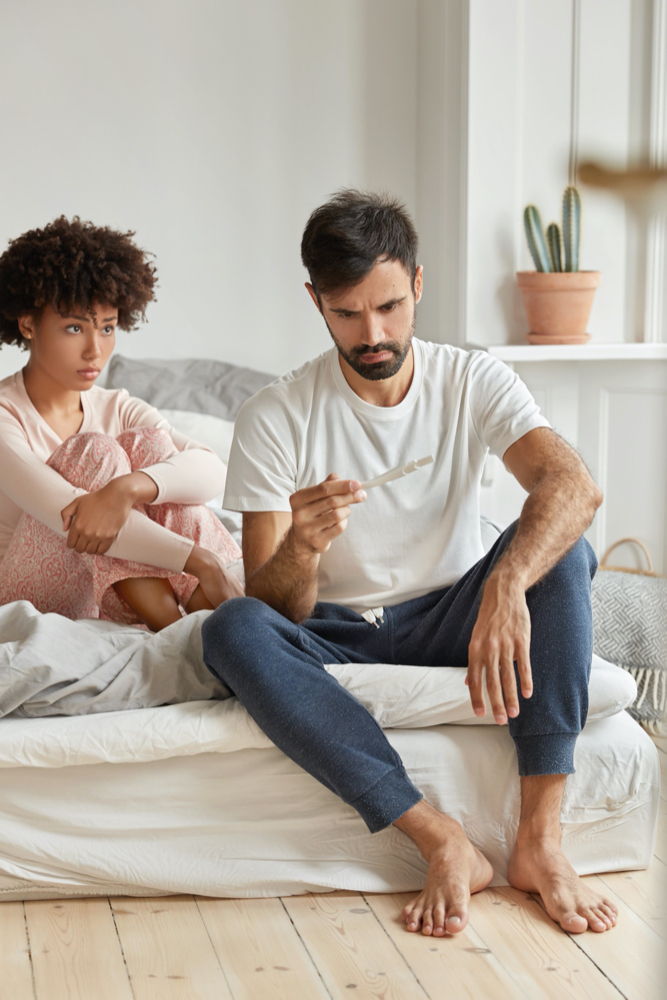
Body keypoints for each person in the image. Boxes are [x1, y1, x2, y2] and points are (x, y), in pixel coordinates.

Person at [201, 189, 619, 938]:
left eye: (390, 306)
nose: (373, 334)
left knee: (563, 551)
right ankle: (440, 838)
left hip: (452, 609)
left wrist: (504, 581)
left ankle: (538, 842)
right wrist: (301, 547)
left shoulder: (472, 379)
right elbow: (270, 609)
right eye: (348, 313)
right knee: (230, 628)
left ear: (418, 284)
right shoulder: (274, 414)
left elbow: (573, 486)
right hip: (336, 628)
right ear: (315, 302)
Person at [0, 216, 242, 631]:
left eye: (107, 328)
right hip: (27, 591)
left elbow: (210, 468)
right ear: (28, 325)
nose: (95, 350)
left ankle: (223, 630)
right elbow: (72, 518)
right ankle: (177, 634)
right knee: (96, 452)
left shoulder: (118, 406)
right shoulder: (6, 413)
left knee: (150, 449)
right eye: (74, 327)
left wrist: (127, 488)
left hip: (108, 595)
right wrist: (201, 560)